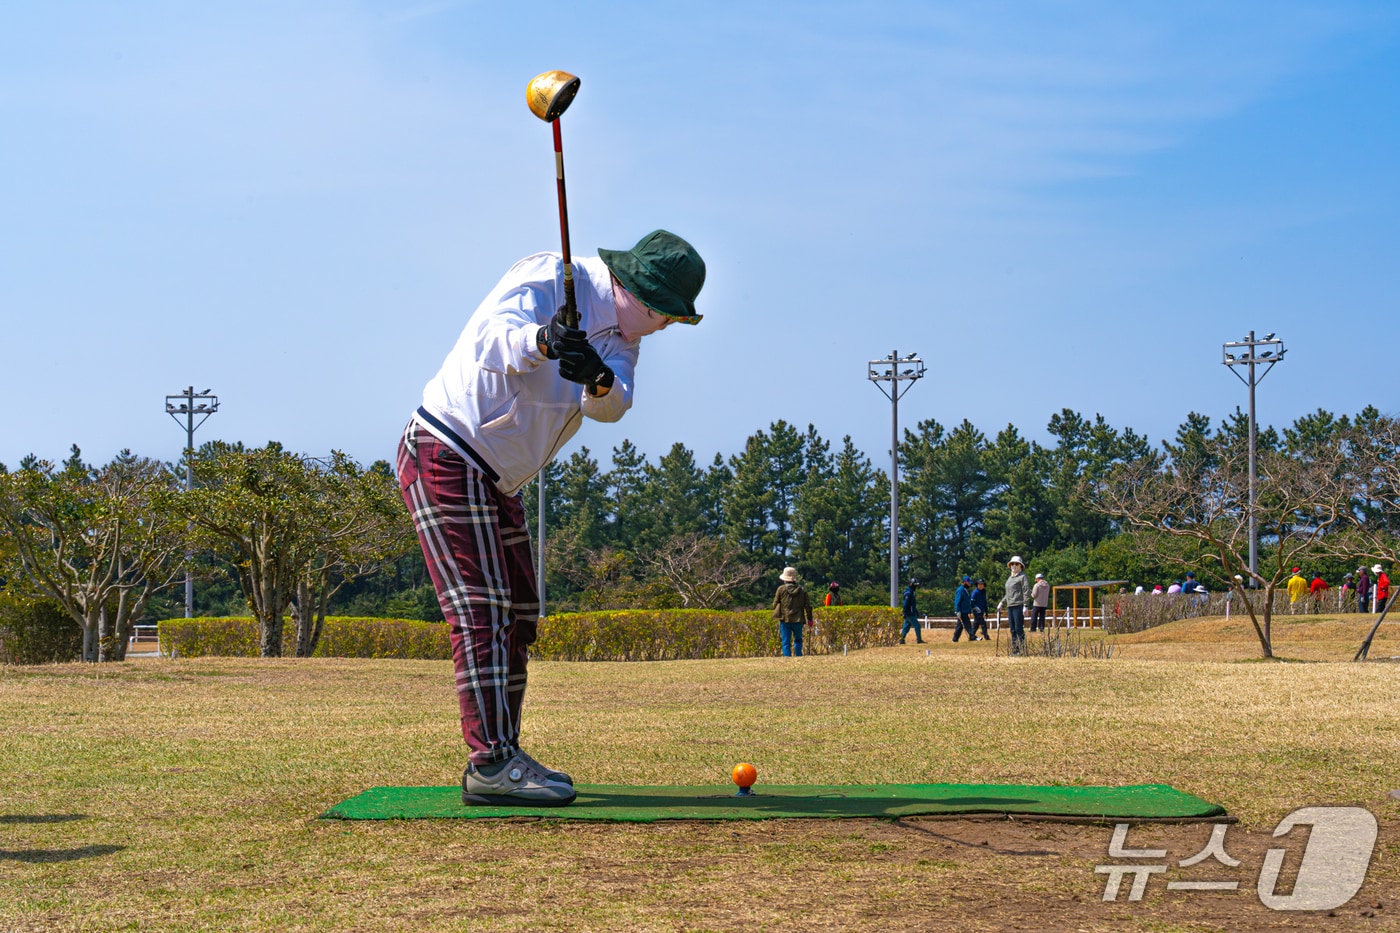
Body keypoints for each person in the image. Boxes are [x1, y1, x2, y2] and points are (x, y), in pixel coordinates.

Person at [398, 229, 706, 807]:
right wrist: (542, 340)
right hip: (447, 448)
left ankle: (505, 752)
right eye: (666, 314)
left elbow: (612, 406)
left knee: (519, 614)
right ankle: (489, 764)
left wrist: (597, 374)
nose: (666, 327)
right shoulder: (549, 275)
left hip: (497, 476)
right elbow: (489, 344)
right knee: (482, 609)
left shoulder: (624, 338)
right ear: (636, 291)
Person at [772, 566, 814, 657]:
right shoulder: (802, 590)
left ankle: (787, 658)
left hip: (785, 619)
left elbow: (774, 604)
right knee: (798, 639)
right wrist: (810, 619)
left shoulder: (781, 589)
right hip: (798, 619)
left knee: (786, 641)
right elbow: (808, 606)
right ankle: (798, 656)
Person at [996, 556, 1031, 652]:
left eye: (1016, 564)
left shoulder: (1022, 577)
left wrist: (1026, 605)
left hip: (1018, 605)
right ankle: (1015, 649)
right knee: (1012, 629)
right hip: (1010, 606)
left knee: (1018, 628)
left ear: (1021, 566)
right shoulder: (1010, 578)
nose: (1014, 566)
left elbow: (1026, 591)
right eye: (1012, 564)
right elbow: (1008, 594)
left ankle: (1022, 648)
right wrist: (1001, 602)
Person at [953, 576, 975, 642]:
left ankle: (955, 638)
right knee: (967, 624)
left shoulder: (966, 590)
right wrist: (958, 611)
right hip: (962, 611)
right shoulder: (960, 590)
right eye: (969, 583)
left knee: (960, 626)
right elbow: (957, 601)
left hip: (965, 610)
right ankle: (972, 636)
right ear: (965, 582)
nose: (970, 584)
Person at [901, 579, 923, 644]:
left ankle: (901, 640)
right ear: (911, 584)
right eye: (914, 585)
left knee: (906, 627)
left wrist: (915, 611)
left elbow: (912, 604)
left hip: (911, 612)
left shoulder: (911, 592)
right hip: (909, 613)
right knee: (917, 626)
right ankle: (919, 640)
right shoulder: (908, 593)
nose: (915, 587)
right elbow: (906, 604)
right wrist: (904, 612)